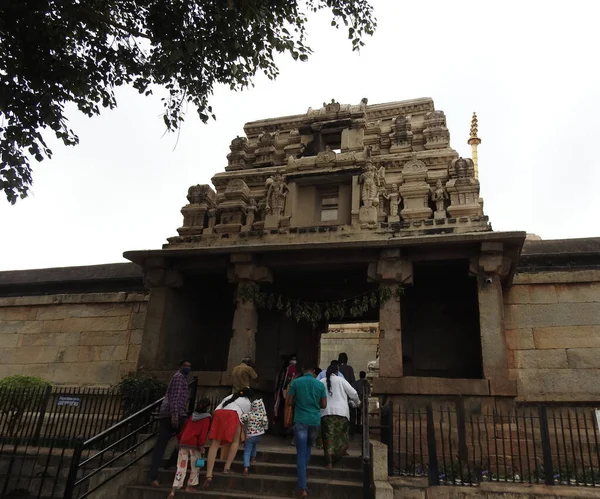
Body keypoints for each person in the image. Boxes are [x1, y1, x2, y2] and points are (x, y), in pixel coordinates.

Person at [149, 360, 191, 487]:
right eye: (186, 366)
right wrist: (175, 416)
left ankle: (155, 474)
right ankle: (169, 465)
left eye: (189, 366)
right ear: (180, 367)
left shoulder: (180, 378)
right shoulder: (179, 378)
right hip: (174, 415)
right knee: (185, 441)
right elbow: (175, 398)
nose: (188, 368)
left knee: (163, 445)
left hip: (169, 415)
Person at [287, 365, 327, 498]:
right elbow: (324, 405)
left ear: (304, 372)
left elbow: (289, 402)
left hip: (300, 419)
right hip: (314, 420)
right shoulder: (320, 385)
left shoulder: (296, 383)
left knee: (300, 451)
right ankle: (304, 472)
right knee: (309, 446)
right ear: (314, 373)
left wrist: (299, 402)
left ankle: (302, 487)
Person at [203, 387, 253, 489]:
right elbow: (245, 417)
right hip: (233, 415)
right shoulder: (247, 402)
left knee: (214, 444)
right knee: (235, 441)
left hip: (219, 414)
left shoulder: (230, 396)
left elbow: (217, 409)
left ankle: (208, 474)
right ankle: (227, 468)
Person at [167, 398, 211, 498]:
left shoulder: (192, 416)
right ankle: (190, 485)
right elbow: (203, 434)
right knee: (195, 466)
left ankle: (174, 489)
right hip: (194, 444)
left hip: (184, 442)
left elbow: (184, 429)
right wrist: (201, 446)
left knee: (181, 466)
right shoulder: (206, 419)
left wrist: (179, 438)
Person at [320, 364, 360, 469]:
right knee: (341, 437)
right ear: (337, 371)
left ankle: (329, 462)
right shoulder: (341, 380)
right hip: (342, 414)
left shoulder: (321, 382)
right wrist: (358, 403)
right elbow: (353, 393)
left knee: (328, 438)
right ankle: (341, 452)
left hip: (325, 414)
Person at [240, 396, 269, 476]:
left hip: (250, 435)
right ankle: (253, 459)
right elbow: (265, 423)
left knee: (247, 451)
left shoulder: (249, 414)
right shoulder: (262, 415)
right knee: (255, 445)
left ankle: (246, 467)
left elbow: (242, 419)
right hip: (258, 435)